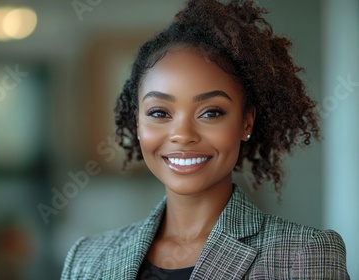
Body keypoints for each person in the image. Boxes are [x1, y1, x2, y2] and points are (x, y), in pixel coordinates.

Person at [61, 0, 350, 279]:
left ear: (245, 122)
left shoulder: (303, 255)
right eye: (160, 112)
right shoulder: (88, 258)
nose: (183, 135)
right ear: (138, 122)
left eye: (211, 112)